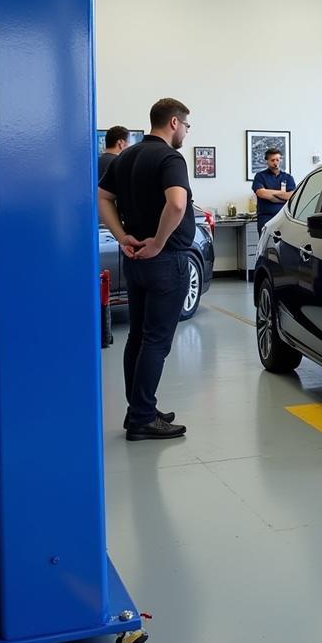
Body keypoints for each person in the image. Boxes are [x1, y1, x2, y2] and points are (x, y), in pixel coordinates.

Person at [98, 98, 194, 441]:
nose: (185, 132)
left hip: (133, 260)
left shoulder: (126, 157)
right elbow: (177, 203)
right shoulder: (170, 157)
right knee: (156, 341)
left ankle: (138, 408)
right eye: (186, 125)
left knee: (137, 337)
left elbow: (102, 197)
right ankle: (141, 417)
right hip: (165, 261)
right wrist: (157, 242)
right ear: (172, 122)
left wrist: (122, 236)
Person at [252, 148, 296, 233]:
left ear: (281, 160)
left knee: (283, 245)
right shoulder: (260, 176)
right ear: (267, 161)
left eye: (277, 160)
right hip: (265, 218)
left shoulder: (288, 177)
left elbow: (291, 196)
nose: (275, 162)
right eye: (272, 160)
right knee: (266, 245)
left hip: (284, 218)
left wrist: (271, 196)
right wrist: (282, 195)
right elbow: (261, 193)